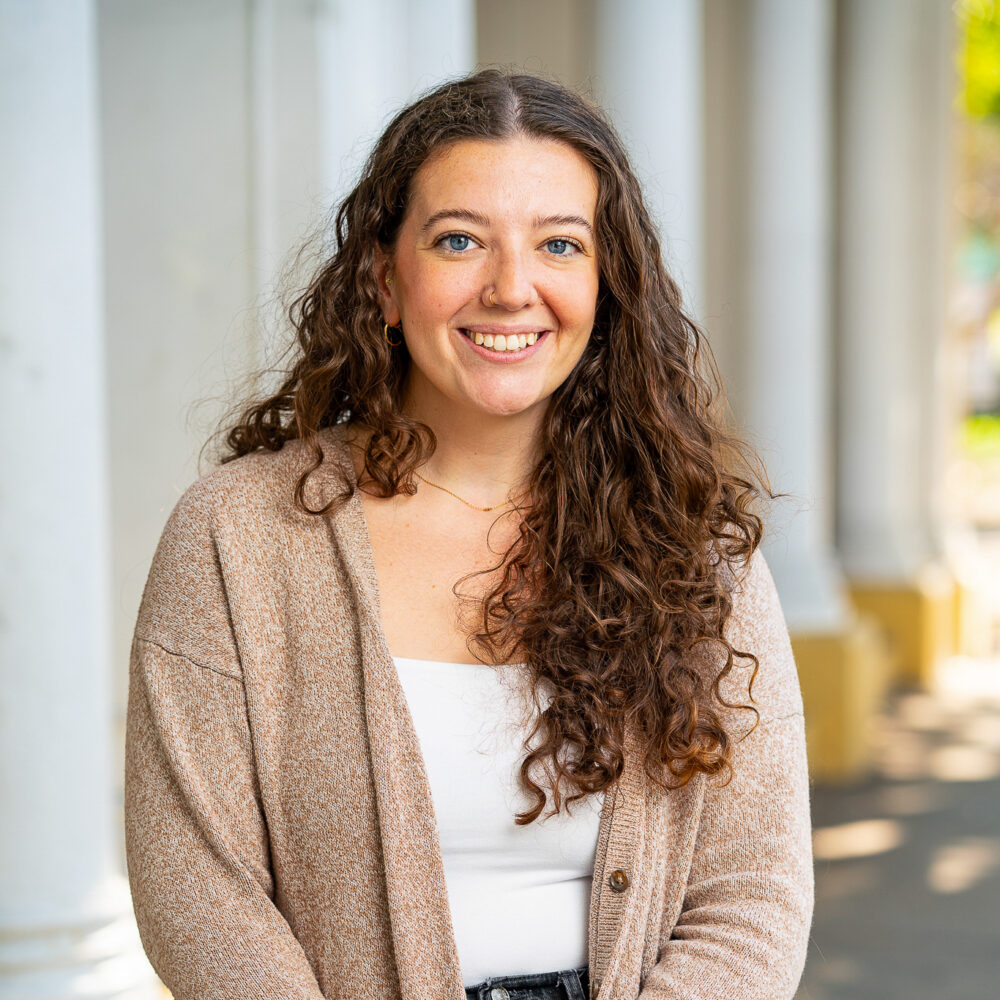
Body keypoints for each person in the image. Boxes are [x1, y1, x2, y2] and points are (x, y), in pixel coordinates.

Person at [123, 70, 813, 1000]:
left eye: (559, 245)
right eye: (459, 241)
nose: (510, 288)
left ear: (607, 288)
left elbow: (754, 894)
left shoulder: (697, 551)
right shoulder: (238, 535)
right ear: (385, 279)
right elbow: (197, 891)